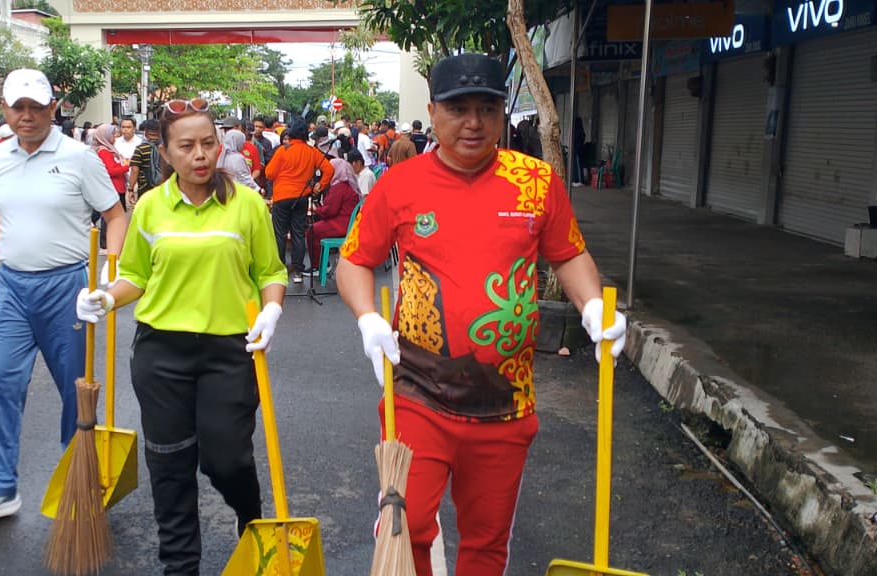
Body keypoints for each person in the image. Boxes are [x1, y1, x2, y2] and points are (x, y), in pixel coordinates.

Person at [335, 53, 628, 574]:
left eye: (487, 109)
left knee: (487, 542)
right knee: (411, 524)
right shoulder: (400, 185)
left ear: (502, 115)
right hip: (417, 390)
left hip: (506, 400)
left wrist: (592, 309)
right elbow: (356, 260)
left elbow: (567, 252)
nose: (473, 122)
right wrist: (366, 316)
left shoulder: (536, 183)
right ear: (433, 111)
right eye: (458, 108)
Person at [74, 97, 287, 574]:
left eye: (208, 143)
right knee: (169, 467)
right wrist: (106, 298)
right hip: (160, 351)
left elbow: (272, 271)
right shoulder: (150, 207)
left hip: (230, 351)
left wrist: (271, 309)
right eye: (187, 146)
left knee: (226, 459)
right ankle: (180, 566)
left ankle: (249, 517)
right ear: (165, 153)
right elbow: (136, 276)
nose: (200, 155)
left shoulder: (247, 204)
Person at [0, 68, 129, 526]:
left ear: (52, 109)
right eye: (18, 107)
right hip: (13, 287)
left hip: (68, 286)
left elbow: (115, 216)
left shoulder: (80, 157)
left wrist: (106, 274)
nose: (27, 116)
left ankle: (72, 482)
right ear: (5, 109)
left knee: (75, 392)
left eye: (36, 107)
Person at [264, 118, 332, 284]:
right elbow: (329, 169)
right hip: (302, 197)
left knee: (280, 234)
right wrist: (318, 187)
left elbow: (269, 173)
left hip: (282, 197)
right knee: (298, 234)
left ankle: (280, 268)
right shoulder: (311, 151)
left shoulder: (283, 150)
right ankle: (298, 272)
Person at [305, 158, 359, 273]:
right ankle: (322, 264)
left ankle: (317, 266)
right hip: (347, 223)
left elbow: (330, 211)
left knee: (312, 231)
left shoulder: (339, 187)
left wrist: (316, 210)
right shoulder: (349, 185)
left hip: (340, 224)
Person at [126, 118, 163, 204]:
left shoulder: (140, 149)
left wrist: (131, 189)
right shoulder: (166, 148)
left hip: (145, 188)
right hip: (164, 187)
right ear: (160, 132)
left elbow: (135, 171)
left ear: (145, 132)